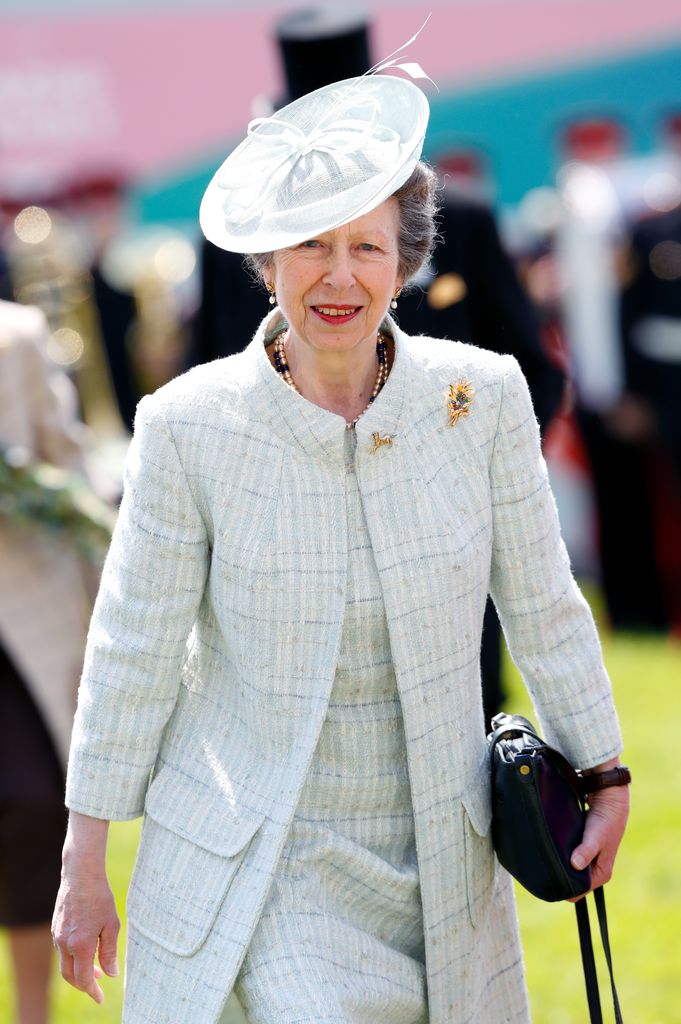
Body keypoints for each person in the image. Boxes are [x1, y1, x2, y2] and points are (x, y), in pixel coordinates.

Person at [53, 71, 630, 1024]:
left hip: (441, 863)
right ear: (266, 262)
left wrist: (602, 772)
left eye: (366, 246)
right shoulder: (188, 425)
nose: (338, 276)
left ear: (403, 266)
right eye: (310, 244)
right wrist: (84, 861)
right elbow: (133, 647)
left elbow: (543, 603)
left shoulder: (481, 398)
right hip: (266, 860)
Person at [0, 299, 93, 1024]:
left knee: (31, 806)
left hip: (23, 623)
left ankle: (33, 1013)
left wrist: (98, 634)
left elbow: (73, 479)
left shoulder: (16, 337)